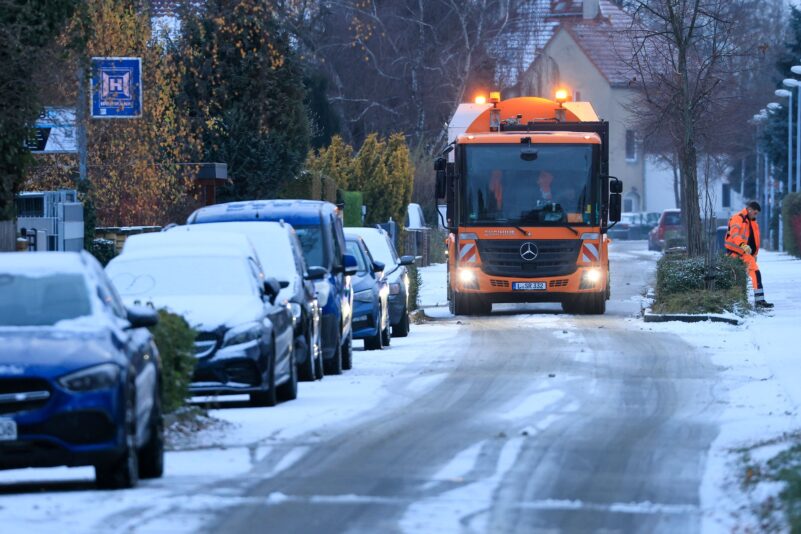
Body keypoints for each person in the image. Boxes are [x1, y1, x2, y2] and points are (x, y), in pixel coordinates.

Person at [725, 201, 773, 309]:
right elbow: (734, 234)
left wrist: (755, 254)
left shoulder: (752, 221)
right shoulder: (738, 218)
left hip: (745, 253)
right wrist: (743, 245)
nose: (755, 215)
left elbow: (754, 239)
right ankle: (737, 300)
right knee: (736, 276)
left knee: (755, 273)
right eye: (755, 213)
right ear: (750, 209)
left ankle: (759, 300)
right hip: (734, 252)